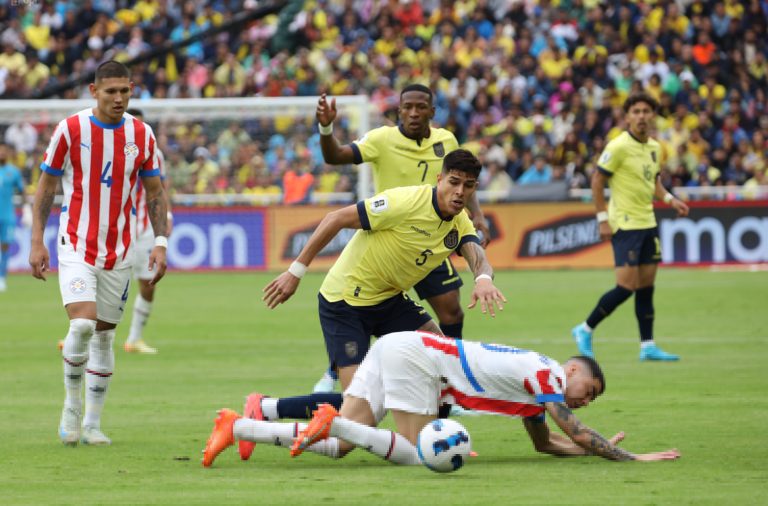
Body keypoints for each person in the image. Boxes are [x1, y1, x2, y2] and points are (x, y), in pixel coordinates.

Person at [236, 149, 505, 461]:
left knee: (442, 361)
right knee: (358, 414)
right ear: (439, 178)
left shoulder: (459, 223)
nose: (459, 192)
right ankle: (266, 407)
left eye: (468, 186)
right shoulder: (405, 202)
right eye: (454, 182)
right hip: (345, 301)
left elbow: (476, 255)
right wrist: (296, 271)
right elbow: (335, 218)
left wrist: (483, 278)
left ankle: (435, 441)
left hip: (389, 300)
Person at [201, 330, 681, 467]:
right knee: (417, 455)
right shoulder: (546, 373)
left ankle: (238, 426)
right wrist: (631, 456)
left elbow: (547, 443)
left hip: (402, 348)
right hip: (419, 359)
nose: (585, 402)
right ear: (572, 370)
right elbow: (572, 429)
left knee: (341, 447)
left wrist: (585, 451)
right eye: (589, 391)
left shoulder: (539, 391)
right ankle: (337, 420)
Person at [311, 84, 492, 393]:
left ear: (431, 112)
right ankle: (336, 367)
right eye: (407, 107)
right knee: (365, 303)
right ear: (398, 110)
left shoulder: (446, 140)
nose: (412, 113)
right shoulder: (382, 139)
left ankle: (452, 386)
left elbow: (462, 179)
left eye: (420, 107)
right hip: (393, 237)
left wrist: (476, 217)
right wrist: (326, 128)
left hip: (435, 236)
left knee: (451, 308)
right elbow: (336, 156)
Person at [29, 61, 169, 446]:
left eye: (124, 91)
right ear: (94, 91)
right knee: (82, 325)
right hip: (75, 244)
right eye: (110, 91)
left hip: (119, 252)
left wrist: (160, 242)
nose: (119, 98)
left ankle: (92, 424)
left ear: (131, 88)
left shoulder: (141, 134)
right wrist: (37, 240)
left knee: (105, 339)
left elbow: (155, 193)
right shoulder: (70, 129)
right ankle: (71, 406)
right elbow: (46, 186)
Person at [571, 92, 689, 361]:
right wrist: (602, 219)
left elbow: (654, 183)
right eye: (635, 111)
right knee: (626, 286)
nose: (641, 116)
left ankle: (647, 346)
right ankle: (584, 329)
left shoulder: (656, 148)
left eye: (646, 111)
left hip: (648, 222)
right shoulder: (618, 146)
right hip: (625, 225)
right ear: (627, 117)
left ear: (653, 116)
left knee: (647, 286)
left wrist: (671, 200)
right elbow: (597, 182)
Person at [122, 108, 173, 354]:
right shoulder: (107, 146)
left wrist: (168, 215)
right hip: (113, 226)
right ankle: (78, 334)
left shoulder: (154, 151)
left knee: (148, 283)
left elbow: (161, 187)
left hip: (144, 228)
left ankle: (134, 338)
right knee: (97, 279)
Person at [0, 143, 29, 292]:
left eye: (4, 150)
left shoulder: (14, 172)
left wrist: (26, 209)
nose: (2, 153)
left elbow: (23, 191)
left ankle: (2, 278)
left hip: (7, 215)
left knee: (4, 246)